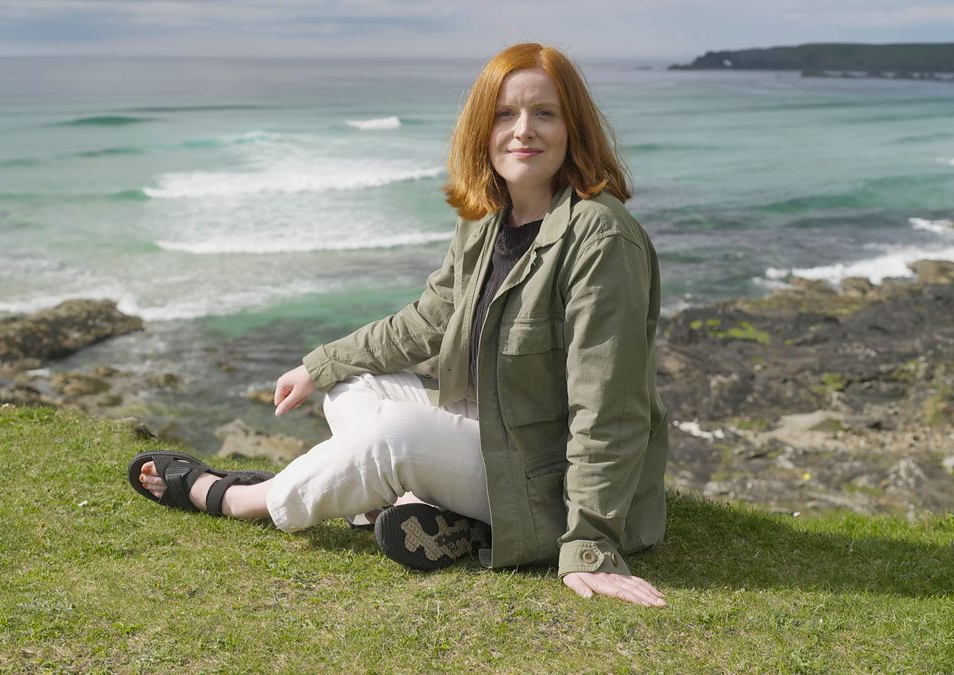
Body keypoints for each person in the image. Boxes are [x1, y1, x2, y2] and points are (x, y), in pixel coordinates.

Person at [129, 43, 669, 608]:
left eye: (545, 113)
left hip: (549, 482)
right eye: (505, 114)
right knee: (351, 387)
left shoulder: (601, 238)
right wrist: (321, 365)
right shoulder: (488, 219)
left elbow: (609, 407)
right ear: (482, 128)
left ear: (572, 127)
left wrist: (589, 543)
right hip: (496, 435)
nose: (523, 130)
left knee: (394, 435)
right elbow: (428, 319)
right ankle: (440, 511)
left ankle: (238, 497)